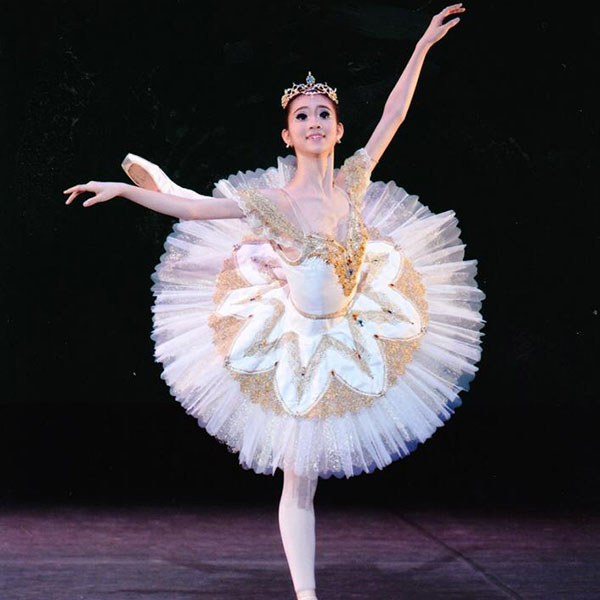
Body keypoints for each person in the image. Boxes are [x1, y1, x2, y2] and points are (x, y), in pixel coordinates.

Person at [64, 4, 481, 599]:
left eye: (324, 114)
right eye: (302, 116)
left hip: (353, 323)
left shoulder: (353, 182)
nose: (314, 122)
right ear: (287, 135)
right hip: (299, 343)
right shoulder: (275, 203)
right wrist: (123, 192)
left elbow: (392, 115)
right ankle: (306, 596)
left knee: (310, 473)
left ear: (339, 130)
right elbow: (192, 212)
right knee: (298, 480)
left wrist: (420, 48)